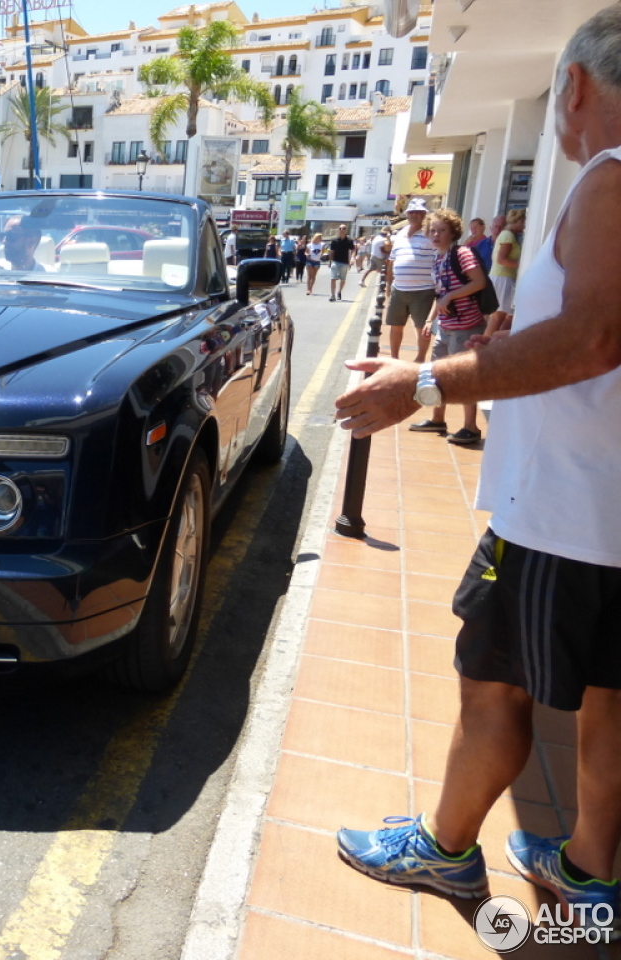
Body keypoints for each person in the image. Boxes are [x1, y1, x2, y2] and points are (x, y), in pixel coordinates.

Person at [333, 7, 621, 926]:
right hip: (601, 509)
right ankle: (587, 868)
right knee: (609, 699)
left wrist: (420, 383)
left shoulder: (612, 180)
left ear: (572, 85)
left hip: (564, 513)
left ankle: (447, 852)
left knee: (490, 679)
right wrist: (519, 337)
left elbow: (595, 338)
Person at [407, 208, 488, 443]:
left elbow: (479, 282)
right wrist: (431, 319)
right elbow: (440, 293)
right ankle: (437, 419)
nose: (436, 235)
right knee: (437, 373)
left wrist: (451, 298)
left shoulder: (462, 253)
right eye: (432, 230)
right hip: (446, 325)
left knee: (462, 376)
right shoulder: (439, 257)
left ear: (453, 232)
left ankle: (471, 427)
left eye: (442, 230)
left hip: (466, 325)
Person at [383, 198, 436, 360]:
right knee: (395, 325)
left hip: (423, 290)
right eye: (412, 212)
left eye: (419, 212)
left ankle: (420, 358)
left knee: (422, 327)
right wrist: (388, 284)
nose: (415, 215)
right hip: (399, 289)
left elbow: (438, 260)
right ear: (407, 214)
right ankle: (394, 358)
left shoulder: (431, 234)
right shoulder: (400, 233)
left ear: (425, 214)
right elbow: (392, 260)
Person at [488, 207, 526, 333]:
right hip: (502, 278)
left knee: (505, 317)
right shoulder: (508, 236)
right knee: (498, 317)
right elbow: (501, 259)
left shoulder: (507, 235)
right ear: (520, 221)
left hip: (503, 277)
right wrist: (522, 265)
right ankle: (482, 347)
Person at [327, 223, 356, 301]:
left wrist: (352, 258)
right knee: (333, 278)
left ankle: (339, 292)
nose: (341, 230)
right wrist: (330, 262)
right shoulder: (334, 241)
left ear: (346, 230)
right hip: (335, 262)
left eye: (343, 228)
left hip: (345, 262)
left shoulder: (349, 241)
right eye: (340, 228)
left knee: (343, 279)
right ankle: (333, 295)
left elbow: (353, 250)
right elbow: (331, 252)